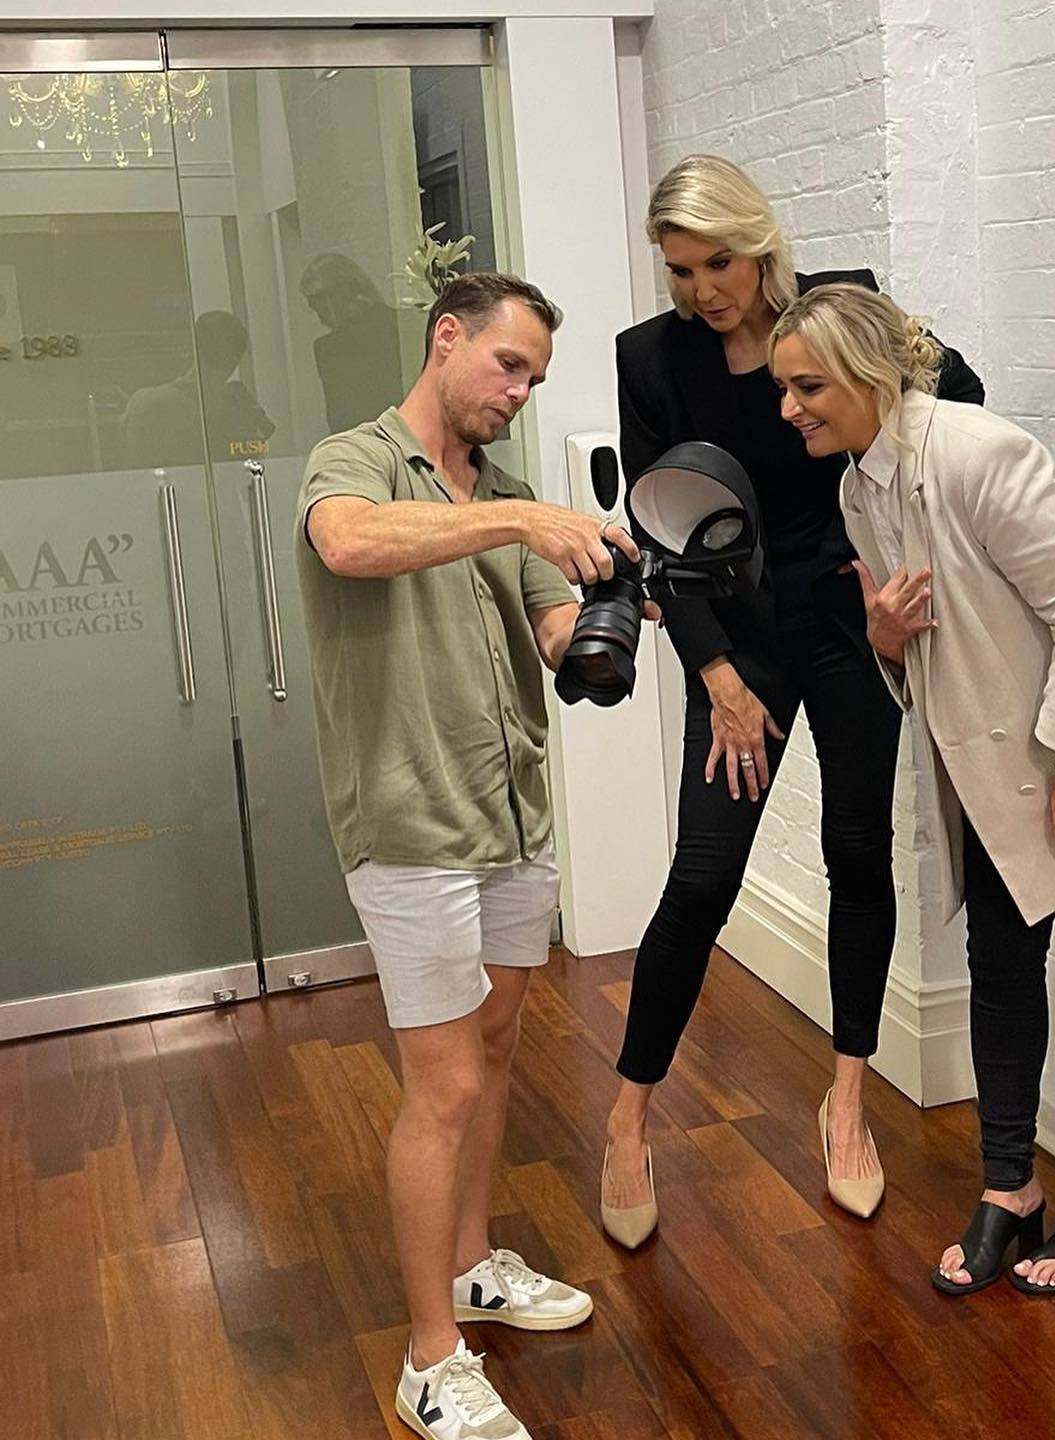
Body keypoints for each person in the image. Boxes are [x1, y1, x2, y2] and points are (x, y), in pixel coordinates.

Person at [769, 283, 1055, 1297]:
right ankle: (1010, 1191)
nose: (789, 408)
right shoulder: (858, 491)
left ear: (868, 375)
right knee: (1002, 969)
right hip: (998, 768)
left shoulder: (982, 454)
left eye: (808, 387)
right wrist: (883, 640)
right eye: (784, 389)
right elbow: (932, 648)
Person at [599, 154, 985, 1247]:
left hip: (851, 626)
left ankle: (846, 1101)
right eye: (680, 270)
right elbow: (660, 530)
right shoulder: (652, 357)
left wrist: (905, 542)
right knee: (703, 878)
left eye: (718, 263)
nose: (702, 289)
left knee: (858, 854)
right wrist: (716, 675)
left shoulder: (835, 308)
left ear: (759, 242)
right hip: (737, 644)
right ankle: (627, 1120)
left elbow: (960, 397)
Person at [296, 271, 650, 1440]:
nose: (520, 393)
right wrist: (520, 521)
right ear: (447, 338)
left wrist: (613, 607)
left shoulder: (507, 496)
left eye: (535, 379)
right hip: (411, 825)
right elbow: (348, 546)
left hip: (511, 813)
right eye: (509, 366)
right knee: (442, 1083)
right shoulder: (355, 464)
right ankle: (429, 1358)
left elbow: (555, 634)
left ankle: (470, 1266)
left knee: (493, 1053)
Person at [124, 309, 275, 467]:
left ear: (194, 347)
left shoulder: (144, 402)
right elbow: (257, 456)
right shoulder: (236, 407)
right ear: (236, 359)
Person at [300, 252, 409, 432]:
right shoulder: (403, 323)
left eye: (320, 309)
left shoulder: (330, 348)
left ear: (336, 298)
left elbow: (341, 417)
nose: (321, 319)